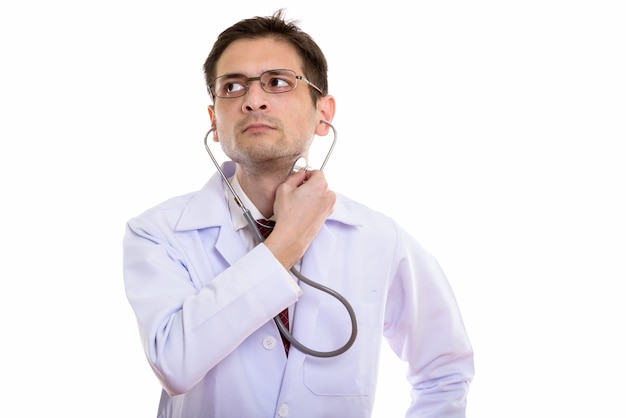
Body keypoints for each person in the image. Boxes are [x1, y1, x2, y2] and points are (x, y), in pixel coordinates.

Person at [123, 9, 474, 418]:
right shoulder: (159, 233)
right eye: (232, 86)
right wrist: (285, 243)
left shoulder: (379, 238)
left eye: (277, 82)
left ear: (324, 114)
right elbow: (174, 363)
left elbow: (444, 370)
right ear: (214, 122)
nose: (253, 99)